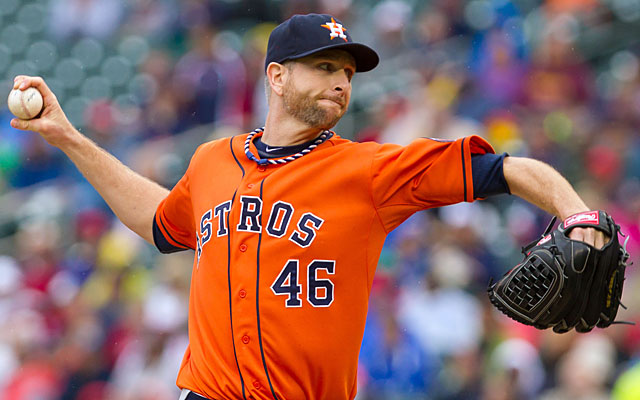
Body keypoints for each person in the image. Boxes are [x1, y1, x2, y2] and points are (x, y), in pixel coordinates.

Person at [10, 13, 607, 400]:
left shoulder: (368, 170)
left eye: (346, 72)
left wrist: (577, 216)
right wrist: (66, 135)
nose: (341, 82)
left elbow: (507, 169)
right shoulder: (213, 160)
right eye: (323, 68)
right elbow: (162, 224)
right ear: (275, 76)